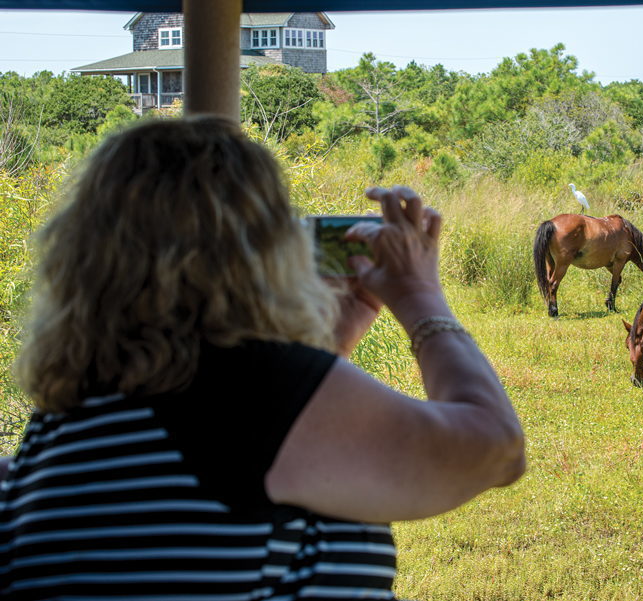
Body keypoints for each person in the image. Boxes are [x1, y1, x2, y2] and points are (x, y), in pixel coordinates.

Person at [0, 116, 525, 599]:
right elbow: (496, 448)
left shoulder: (67, 415)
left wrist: (326, 350)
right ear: (259, 247)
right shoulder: (244, 390)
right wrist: (419, 296)